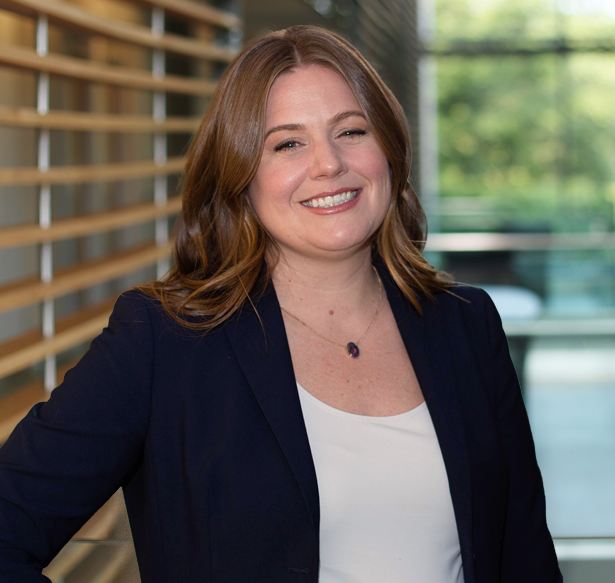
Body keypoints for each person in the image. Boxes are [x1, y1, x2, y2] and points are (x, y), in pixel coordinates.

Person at [0, 25, 561, 583]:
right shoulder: (163, 340)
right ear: (240, 176)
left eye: (351, 131)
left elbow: (525, 558)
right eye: (288, 143)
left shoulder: (465, 324)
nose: (328, 164)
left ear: (389, 149)